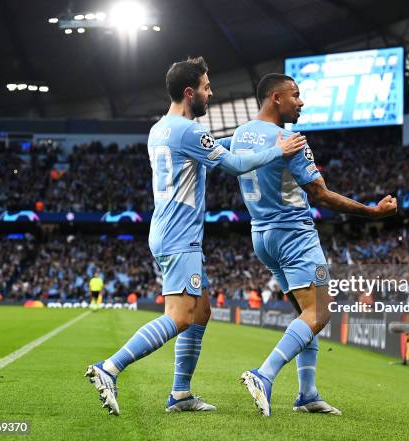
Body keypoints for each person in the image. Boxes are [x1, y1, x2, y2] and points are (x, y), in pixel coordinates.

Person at [85, 58, 306, 416]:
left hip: (165, 229)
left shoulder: (161, 129)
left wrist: (242, 137)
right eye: (206, 87)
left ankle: (181, 393)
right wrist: (276, 150)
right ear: (190, 93)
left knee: (201, 310)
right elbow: (234, 165)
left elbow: (206, 147)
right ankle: (110, 368)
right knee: (181, 315)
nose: (210, 93)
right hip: (179, 235)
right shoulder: (190, 132)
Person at [232, 73, 398, 416]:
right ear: (276, 98)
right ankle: (264, 375)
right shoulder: (289, 140)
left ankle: (307, 393)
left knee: (304, 313)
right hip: (294, 233)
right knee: (320, 310)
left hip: (262, 235)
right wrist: (373, 212)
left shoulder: (239, 134)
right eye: (296, 95)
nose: (301, 102)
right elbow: (320, 195)